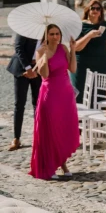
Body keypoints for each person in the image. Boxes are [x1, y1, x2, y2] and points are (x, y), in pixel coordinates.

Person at [30, 25, 80, 181]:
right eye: (51, 34)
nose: (55, 37)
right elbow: (44, 75)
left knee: (64, 129)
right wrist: (45, 57)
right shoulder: (40, 51)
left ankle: (63, 164)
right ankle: (49, 166)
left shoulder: (63, 48)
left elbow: (72, 69)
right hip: (50, 93)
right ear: (46, 35)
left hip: (66, 93)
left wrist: (73, 49)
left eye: (57, 34)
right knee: (51, 129)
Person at [7, 33, 41, 151]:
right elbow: (19, 48)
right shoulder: (26, 29)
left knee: (38, 104)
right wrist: (28, 68)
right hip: (22, 68)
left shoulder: (47, 31)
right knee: (19, 104)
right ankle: (16, 138)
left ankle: (38, 136)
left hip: (38, 69)